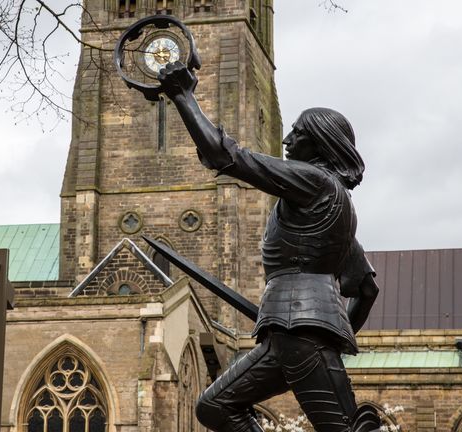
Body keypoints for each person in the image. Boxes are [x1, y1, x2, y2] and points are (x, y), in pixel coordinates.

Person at [157, 62, 382, 432]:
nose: (287, 140)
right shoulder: (337, 207)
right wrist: (332, 329)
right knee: (215, 406)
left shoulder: (314, 182)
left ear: (320, 144)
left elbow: (226, 156)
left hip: (298, 333)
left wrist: (183, 96)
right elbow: (367, 289)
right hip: (292, 333)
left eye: (298, 134)